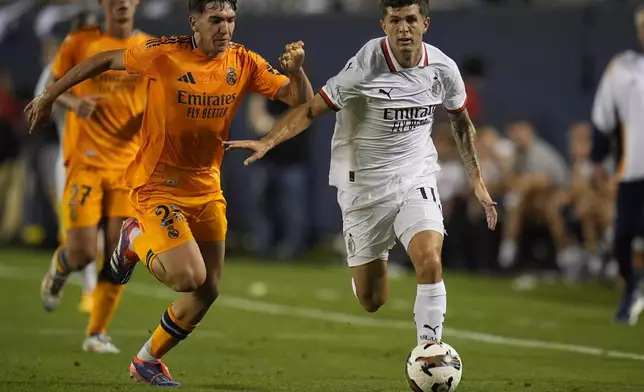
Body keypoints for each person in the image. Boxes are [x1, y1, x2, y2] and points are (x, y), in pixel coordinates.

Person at [26, 0, 313, 386]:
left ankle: (146, 360)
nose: (225, 28)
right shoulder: (162, 54)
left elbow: (301, 100)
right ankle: (134, 240)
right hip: (157, 185)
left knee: (208, 288)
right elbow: (104, 60)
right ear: (194, 21)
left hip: (207, 187)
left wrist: (297, 72)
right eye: (216, 20)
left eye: (230, 19)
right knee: (187, 277)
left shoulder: (243, 62)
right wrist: (50, 95)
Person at [224, 0, 497, 354]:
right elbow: (311, 109)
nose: (403, 28)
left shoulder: (443, 68)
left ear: (425, 24)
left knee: (430, 259)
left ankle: (430, 351)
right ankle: (367, 271)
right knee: (372, 299)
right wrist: (268, 141)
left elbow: (461, 121)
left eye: (410, 19)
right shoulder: (366, 65)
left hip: (415, 175)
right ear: (383, 24)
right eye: (395, 20)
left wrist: (477, 182)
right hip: (363, 187)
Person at [36, 0, 152, 354]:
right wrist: (74, 104)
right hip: (85, 161)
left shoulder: (149, 47)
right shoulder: (80, 43)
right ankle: (61, 265)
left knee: (120, 252)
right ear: (103, 4)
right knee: (84, 252)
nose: (121, 4)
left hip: (127, 167)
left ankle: (96, 333)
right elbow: (52, 86)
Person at [34, 14, 99, 315]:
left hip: (115, 161)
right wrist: (71, 102)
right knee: (80, 231)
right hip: (73, 161)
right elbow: (40, 98)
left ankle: (85, 282)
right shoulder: (59, 68)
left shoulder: (111, 64)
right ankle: (86, 288)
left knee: (109, 232)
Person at [591, 4, 644, 325]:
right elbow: (603, 118)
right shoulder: (622, 69)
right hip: (634, 168)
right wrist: (597, 159)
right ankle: (631, 289)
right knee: (623, 235)